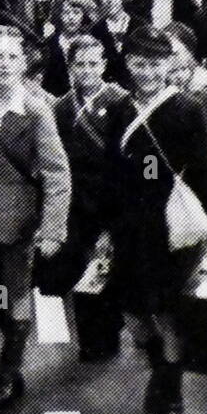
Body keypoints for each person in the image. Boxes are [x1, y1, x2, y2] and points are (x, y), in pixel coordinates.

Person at [109, 27, 207, 414]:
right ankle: (162, 367)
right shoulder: (120, 108)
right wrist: (107, 227)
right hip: (128, 227)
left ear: (168, 65)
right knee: (134, 311)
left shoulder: (187, 109)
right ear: (128, 65)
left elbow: (205, 171)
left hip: (171, 228)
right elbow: (112, 170)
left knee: (166, 311)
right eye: (139, 64)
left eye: (155, 64)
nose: (147, 72)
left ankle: (166, 393)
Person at [0, 26, 71, 409]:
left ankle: (8, 374)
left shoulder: (36, 111)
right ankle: (10, 342)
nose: (4, 64)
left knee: (15, 298)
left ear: (24, 64)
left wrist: (53, 230)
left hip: (19, 221)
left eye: (12, 57)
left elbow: (57, 172)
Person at [49, 34, 131, 359]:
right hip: (75, 199)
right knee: (78, 265)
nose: (86, 70)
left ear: (104, 65)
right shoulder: (61, 107)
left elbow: (127, 155)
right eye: (79, 64)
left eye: (93, 64)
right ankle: (88, 337)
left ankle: (109, 332)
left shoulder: (120, 101)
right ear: (70, 67)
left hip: (110, 196)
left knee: (107, 264)